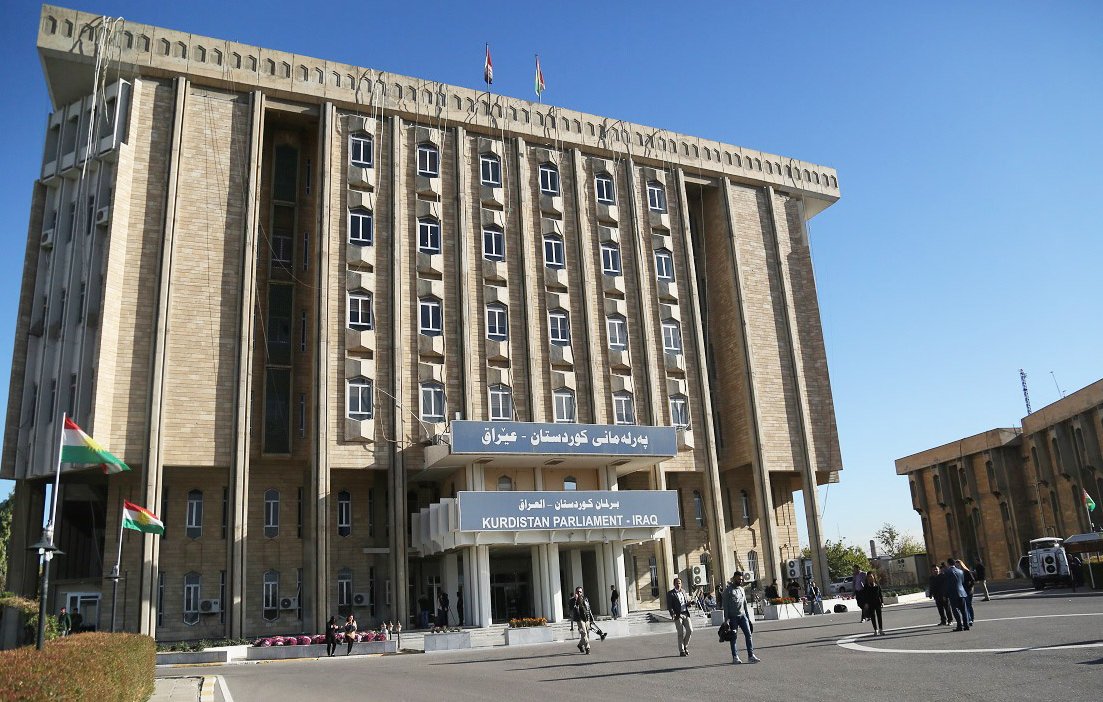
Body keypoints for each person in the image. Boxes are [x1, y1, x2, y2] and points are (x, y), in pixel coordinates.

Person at [722, 571, 761, 664]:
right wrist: (726, 620)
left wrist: (748, 618)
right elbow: (725, 606)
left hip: (743, 616)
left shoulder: (741, 589)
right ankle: (735, 657)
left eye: (741, 579)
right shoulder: (728, 591)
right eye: (739, 579)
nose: (741, 581)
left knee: (748, 635)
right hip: (733, 617)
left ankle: (751, 656)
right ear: (734, 578)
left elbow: (745, 604)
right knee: (733, 637)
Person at [666, 577, 693, 656]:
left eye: (679, 583)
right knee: (680, 633)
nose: (678, 585)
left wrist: (689, 604)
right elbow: (669, 605)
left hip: (685, 613)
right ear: (674, 584)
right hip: (678, 615)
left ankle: (685, 646)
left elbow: (685, 602)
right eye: (677, 583)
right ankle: (682, 651)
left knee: (690, 630)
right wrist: (672, 613)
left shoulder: (684, 592)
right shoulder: (671, 593)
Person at [944, 559, 969, 631]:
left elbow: (946, 584)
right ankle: (966, 625)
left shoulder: (947, 572)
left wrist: (945, 594)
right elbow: (962, 581)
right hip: (962, 592)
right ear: (954, 563)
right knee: (964, 610)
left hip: (953, 593)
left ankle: (959, 626)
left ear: (948, 564)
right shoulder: (960, 571)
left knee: (955, 610)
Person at [570, 586, 593, 654]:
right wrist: (575, 600)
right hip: (579, 619)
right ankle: (587, 648)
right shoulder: (572, 600)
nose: (579, 593)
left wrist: (591, 619)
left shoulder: (585, 599)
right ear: (575, 592)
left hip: (586, 618)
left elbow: (588, 609)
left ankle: (580, 645)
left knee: (587, 634)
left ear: (582, 592)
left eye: (580, 592)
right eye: (577, 592)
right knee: (584, 633)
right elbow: (571, 608)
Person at [955, 559, 976, 626]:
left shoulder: (966, 571)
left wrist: (969, 588)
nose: (958, 566)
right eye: (956, 565)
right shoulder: (957, 573)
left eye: (959, 565)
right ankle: (969, 619)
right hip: (961, 591)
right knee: (964, 606)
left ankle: (971, 619)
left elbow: (972, 581)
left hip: (968, 591)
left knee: (968, 605)